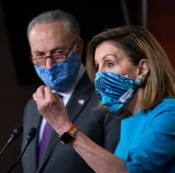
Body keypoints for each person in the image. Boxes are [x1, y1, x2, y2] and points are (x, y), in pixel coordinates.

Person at [33, 25, 175, 173]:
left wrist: (63, 126)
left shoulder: (171, 114)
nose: (99, 75)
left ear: (142, 69)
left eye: (110, 64)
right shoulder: (127, 120)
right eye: (98, 67)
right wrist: (64, 131)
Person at [21, 9, 121, 173]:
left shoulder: (108, 97)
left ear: (78, 47)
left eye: (58, 53)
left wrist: (64, 127)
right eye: (39, 55)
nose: (48, 64)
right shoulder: (32, 106)